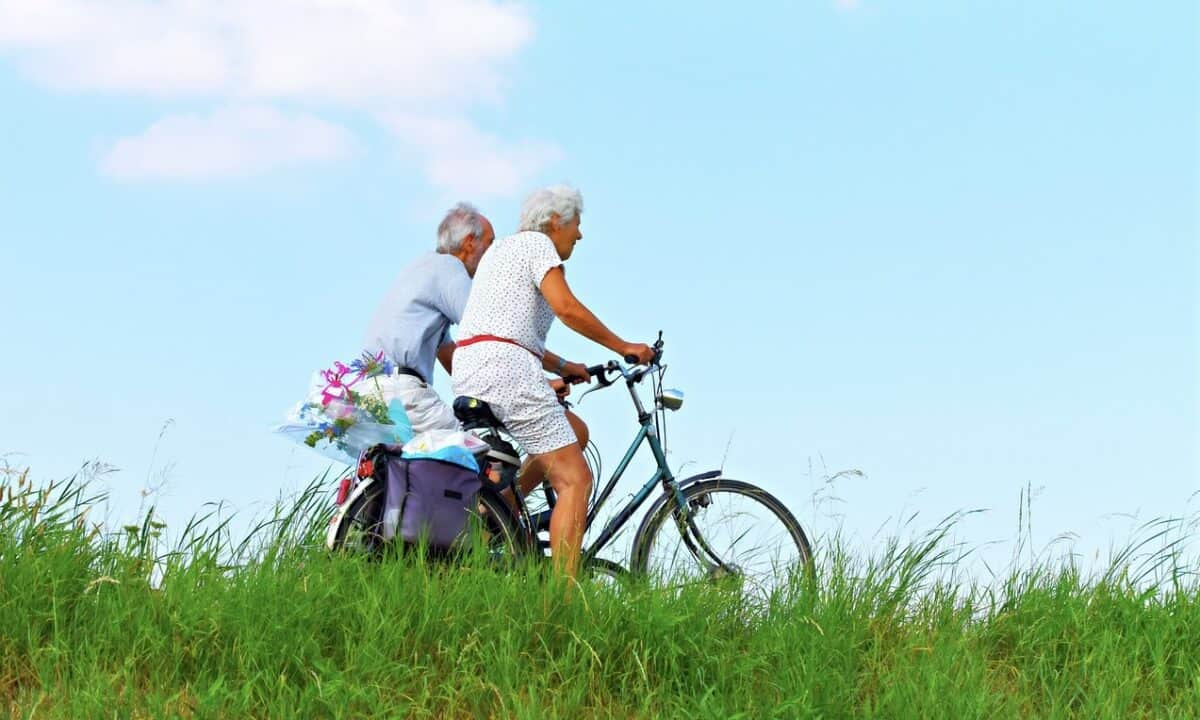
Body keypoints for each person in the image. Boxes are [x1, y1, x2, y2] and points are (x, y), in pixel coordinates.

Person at [452, 185, 654, 577]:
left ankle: (501, 514)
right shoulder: (538, 245)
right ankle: (562, 601)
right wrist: (623, 345)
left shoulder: (503, 251)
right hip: (506, 370)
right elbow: (567, 308)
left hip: (474, 368)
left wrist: (563, 366)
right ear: (556, 221)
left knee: (574, 431)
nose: (579, 235)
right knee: (575, 479)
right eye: (577, 224)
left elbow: (504, 327)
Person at [362, 202, 495, 434]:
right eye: (490, 243)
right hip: (402, 392)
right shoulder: (451, 268)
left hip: (370, 390)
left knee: (407, 466)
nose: (492, 254)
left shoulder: (422, 267)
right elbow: (487, 331)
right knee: (476, 454)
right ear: (469, 242)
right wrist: (535, 383)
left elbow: (449, 356)